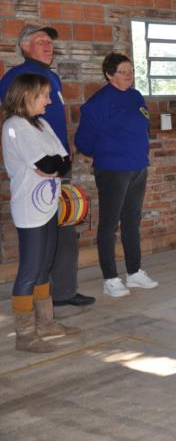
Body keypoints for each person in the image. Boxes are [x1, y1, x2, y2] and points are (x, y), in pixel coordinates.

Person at [0, 25, 95, 307]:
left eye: (50, 41)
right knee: (36, 254)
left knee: (62, 235)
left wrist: (61, 160)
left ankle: (62, 293)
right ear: (24, 47)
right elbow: (15, 121)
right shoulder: (16, 79)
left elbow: (57, 157)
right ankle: (37, 314)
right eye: (41, 41)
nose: (48, 45)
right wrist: (49, 161)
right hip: (33, 175)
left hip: (54, 171)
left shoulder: (51, 77)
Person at [3, 73, 81, 352]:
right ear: (27, 96)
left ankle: (45, 322)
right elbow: (49, 165)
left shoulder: (42, 124)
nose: (49, 102)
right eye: (44, 95)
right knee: (29, 270)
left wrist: (54, 163)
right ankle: (25, 334)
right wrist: (54, 163)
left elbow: (64, 160)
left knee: (44, 266)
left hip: (48, 206)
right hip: (29, 209)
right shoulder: (14, 126)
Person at [75, 53, 158, 297]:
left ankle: (134, 273)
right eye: (122, 71)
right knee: (109, 224)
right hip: (112, 170)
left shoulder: (135, 96)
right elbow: (84, 141)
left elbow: (145, 125)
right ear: (109, 75)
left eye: (131, 70)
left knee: (132, 221)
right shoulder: (99, 103)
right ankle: (110, 278)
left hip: (138, 167)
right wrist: (109, 152)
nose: (128, 75)